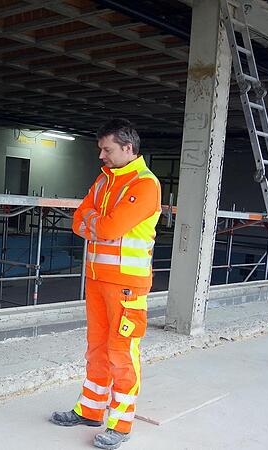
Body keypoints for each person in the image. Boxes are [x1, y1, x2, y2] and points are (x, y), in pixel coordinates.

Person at [50, 119, 161, 450]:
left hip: (127, 284)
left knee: (122, 352)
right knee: (96, 347)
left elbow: (110, 228)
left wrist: (95, 222)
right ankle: (90, 410)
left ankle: (121, 423)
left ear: (128, 148)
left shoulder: (145, 185)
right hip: (97, 280)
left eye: (107, 149)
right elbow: (77, 220)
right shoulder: (104, 180)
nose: (101, 155)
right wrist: (96, 222)